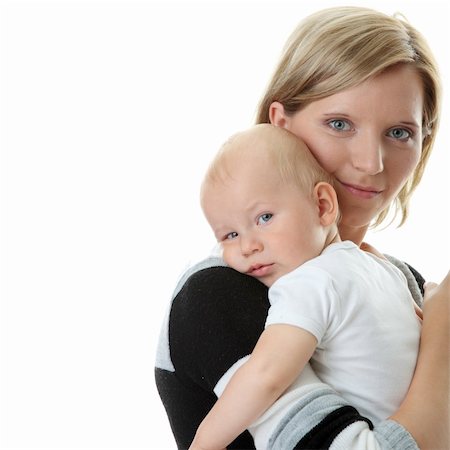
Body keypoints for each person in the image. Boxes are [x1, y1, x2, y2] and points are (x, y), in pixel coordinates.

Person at [155, 6, 449, 449]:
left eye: (400, 133)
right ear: (281, 123)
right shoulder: (219, 293)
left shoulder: (405, 282)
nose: (371, 163)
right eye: (339, 124)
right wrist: (442, 344)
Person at [189, 124, 422, 450]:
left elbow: (267, 375)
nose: (248, 246)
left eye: (264, 217)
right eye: (230, 235)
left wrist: (203, 443)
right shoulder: (383, 270)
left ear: (323, 206)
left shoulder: (310, 282)